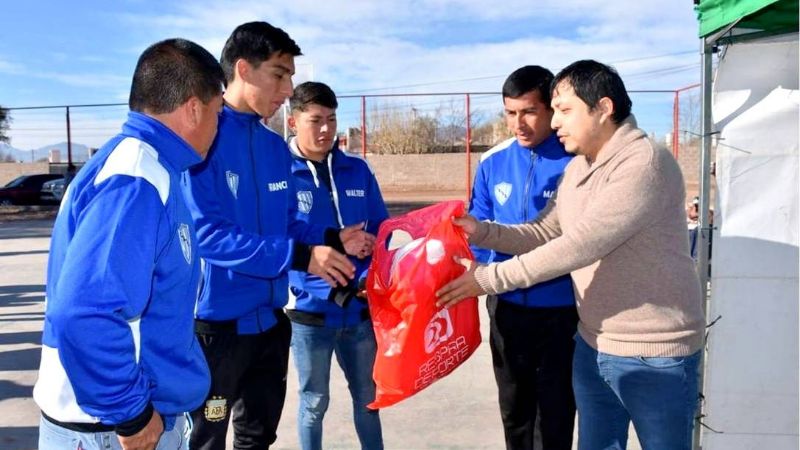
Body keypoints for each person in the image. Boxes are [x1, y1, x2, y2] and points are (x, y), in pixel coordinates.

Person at [436, 60, 705, 450]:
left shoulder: (644, 163)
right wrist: (482, 230)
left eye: (564, 110)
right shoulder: (579, 167)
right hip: (594, 345)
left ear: (603, 108)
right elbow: (545, 231)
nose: (555, 121)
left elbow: (579, 245)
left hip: (654, 355)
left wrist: (487, 279)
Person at [182, 22, 372, 450]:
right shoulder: (203, 139)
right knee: (205, 440)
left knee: (257, 437)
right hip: (216, 328)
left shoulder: (272, 147)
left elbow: (286, 225)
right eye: (279, 74)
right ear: (244, 69)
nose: (288, 89)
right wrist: (304, 256)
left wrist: (331, 237)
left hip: (270, 323)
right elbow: (206, 235)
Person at [34, 38, 224, 450]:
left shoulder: (142, 167)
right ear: (194, 107)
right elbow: (84, 313)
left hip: (111, 422)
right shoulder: (136, 178)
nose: (218, 124)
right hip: (111, 428)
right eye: (218, 111)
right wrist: (133, 414)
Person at [468, 65, 576, 450]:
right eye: (511, 113)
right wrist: (481, 272)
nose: (519, 123)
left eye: (529, 111)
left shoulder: (575, 161)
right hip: (507, 305)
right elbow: (478, 228)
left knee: (555, 413)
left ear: (551, 109)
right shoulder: (493, 162)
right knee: (514, 408)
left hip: (562, 309)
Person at [285, 81, 388, 450]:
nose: (326, 129)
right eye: (316, 120)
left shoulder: (356, 170)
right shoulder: (280, 172)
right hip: (310, 317)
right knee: (313, 403)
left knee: (369, 399)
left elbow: (380, 228)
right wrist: (330, 287)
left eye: (331, 119)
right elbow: (283, 242)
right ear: (294, 121)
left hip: (359, 312)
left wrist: (360, 281)